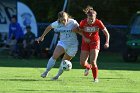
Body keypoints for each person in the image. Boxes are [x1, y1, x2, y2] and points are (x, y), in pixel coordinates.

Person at [37, 11, 79, 80]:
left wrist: (78, 30)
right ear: (59, 19)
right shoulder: (57, 23)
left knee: (64, 62)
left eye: (64, 20)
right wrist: (42, 37)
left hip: (73, 45)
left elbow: (80, 30)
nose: (63, 22)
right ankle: (46, 71)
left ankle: (57, 76)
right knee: (54, 56)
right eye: (61, 20)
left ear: (67, 17)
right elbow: (48, 27)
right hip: (63, 43)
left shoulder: (73, 22)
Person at [78, 6, 110, 82]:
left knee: (93, 61)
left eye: (93, 19)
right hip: (85, 42)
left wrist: (107, 42)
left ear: (95, 18)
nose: (91, 20)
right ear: (87, 17)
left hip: (95, 42)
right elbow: (79, 30)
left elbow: (106, 33)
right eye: (89, 19)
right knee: (82, 63)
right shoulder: (83, 22)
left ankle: (95, 78)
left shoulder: (99, 22)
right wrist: (84, 38)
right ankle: (88, 67)